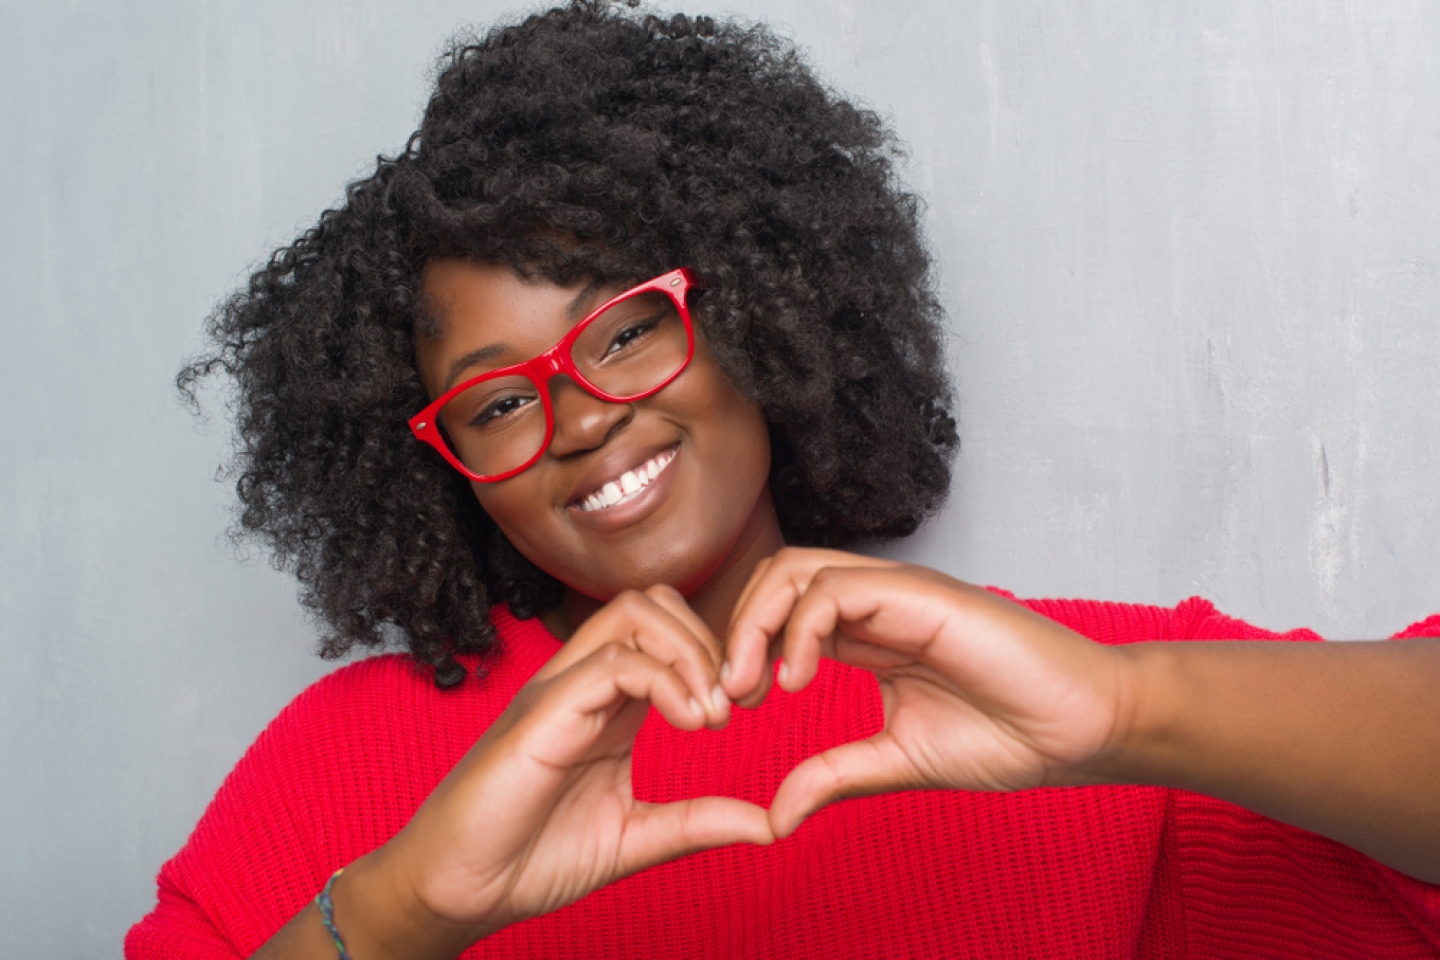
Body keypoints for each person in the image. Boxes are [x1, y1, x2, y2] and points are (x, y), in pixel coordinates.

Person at [128, 3, 1440, 957]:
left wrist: (1131, 706)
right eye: (499, 400)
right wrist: (408, 907)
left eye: (627, 328)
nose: (578, 420)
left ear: (757, 311)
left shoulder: (1063, 696)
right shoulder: (334, 769)